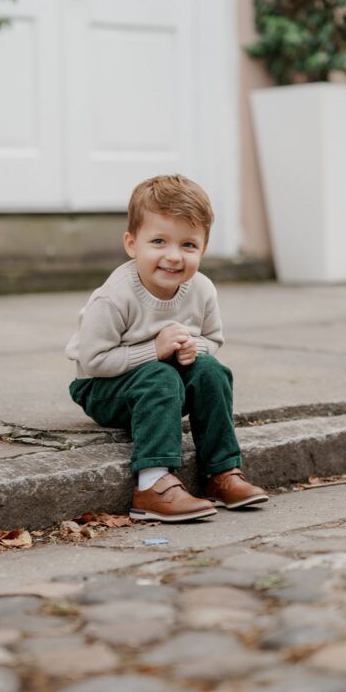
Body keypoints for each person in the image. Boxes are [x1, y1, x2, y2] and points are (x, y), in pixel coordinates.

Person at [65, 174, 267, 522]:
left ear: (203, 248)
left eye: (188, 245)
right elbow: (93, 360)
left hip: (162, 383)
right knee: (158, 375)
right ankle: (152, 484)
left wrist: (193, 348)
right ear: (132, 244)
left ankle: (220, 473)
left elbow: (213, 340)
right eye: (159, 241)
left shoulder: (202, 290)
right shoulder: (114, 297)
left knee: (211, 371)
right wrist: (154, 351)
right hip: (102, 388)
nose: (173, 257)